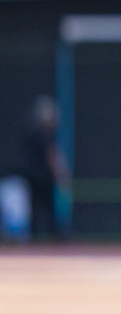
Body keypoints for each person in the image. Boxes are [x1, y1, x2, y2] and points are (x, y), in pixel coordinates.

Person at [22, 96, 69, 241]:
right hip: (43, 178)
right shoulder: (45, 136)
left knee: (36, 210)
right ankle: (57, 237)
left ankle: (35, 237)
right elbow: (52, 156)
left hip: (33, 177)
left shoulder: (32, 134)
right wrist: (60, 174)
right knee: (47, 209)